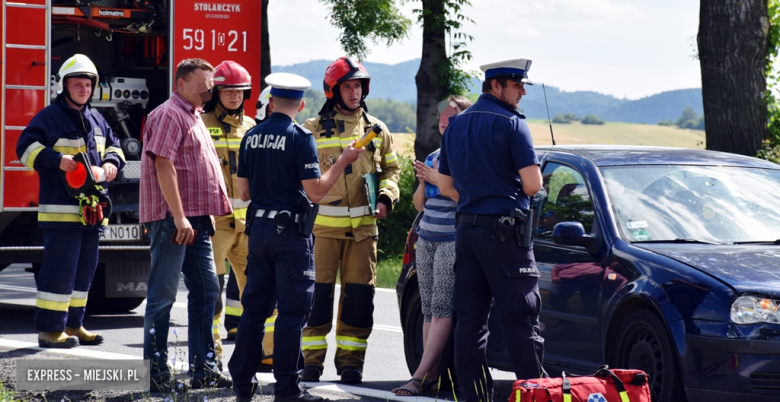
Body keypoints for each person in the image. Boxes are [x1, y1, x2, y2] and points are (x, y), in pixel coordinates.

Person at [228, 72, 363, 402]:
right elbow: (315, 192)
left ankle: (242, 383)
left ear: (271, 102)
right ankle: (287, 388)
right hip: (289, 234)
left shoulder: (251, 136)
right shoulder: (301, 137)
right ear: (301, 105)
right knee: (291, 312)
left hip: (257, 230)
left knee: (254, 310)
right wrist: (344, 160)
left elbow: (243, 192)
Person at [437, 58, 545, 402]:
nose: (522, 92)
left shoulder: (456, 126)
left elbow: (446, 184)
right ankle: (535, 395)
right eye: (517, 85)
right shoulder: (513, 125)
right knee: (520, 319)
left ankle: (472, 398)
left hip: (466, 232)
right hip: (505, 235)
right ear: (495, 86)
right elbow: (532, 184)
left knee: (470, 324)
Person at [300, 56, 401, 384]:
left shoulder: (377, 130)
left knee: (359, 300)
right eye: (347, 86)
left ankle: (351, 364)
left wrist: (386, 197)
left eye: (358, 85)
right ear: (333, 91)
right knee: (317, 299)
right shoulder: (311, 130)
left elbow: (391, 170)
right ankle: (311, 361)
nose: (354, 92)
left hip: (363, 232)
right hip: (322, 232)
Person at [16, 53, 124, 348]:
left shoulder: (96, 118)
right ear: (64, 86)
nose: (83, 90)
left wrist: (113, 161)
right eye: (77, 84)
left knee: (84, 273)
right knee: (59, 273)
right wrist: (56, 159)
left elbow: (114, 145)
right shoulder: (49, 117)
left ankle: (74, 325)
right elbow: (23, 148)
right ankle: (50, 331)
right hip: (61, 212)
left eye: (88, 85)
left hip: (91, 212)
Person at [139, 58, 233, 392]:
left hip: (193, 219)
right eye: (202, 82)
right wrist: (179, 216)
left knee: (208, 290)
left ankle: (203, 369)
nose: (209, 87)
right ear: (180, 83)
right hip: (172, 220)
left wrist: (201, 213)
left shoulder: (192, 115)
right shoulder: (169, 114)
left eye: (210, 82)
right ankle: (155, 373)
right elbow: (164, 165)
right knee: (162, 297)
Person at [392, 95, 472, 396]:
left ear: (462, 119)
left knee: (440, 310)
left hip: (451, 241)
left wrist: (439, 179)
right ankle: (431, 377)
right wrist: (424, 180)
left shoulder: (465, 155)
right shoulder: (433, 155)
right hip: (426, 239)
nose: (443, 118)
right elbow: (418, 205)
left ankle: (417, 376)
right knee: (427, 311)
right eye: (441, 114)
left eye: (450, 115)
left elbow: (465, 199)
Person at [200, 60, 272, 371]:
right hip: (214, 225)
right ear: (215, 92)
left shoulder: (253, 128)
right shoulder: (199, 123)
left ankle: (266, 353)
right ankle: (211, 356)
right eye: (227, 90)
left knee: (261, 292)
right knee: (211, 295)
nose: (233, 96)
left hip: (249, 226)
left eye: (239, 91)